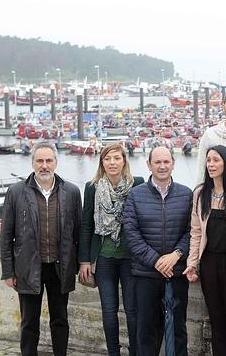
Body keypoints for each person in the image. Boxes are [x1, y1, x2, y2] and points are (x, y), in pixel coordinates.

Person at [0, 142, 82, 356]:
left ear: (56, 162)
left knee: (60, 320)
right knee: (29, 322)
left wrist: (81, 263)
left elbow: (79, 233)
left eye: (48, 161)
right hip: (28, 267)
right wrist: (8, 271)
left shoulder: (71, 192)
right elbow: (6, 234)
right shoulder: (16, 192)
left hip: (59, 267)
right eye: (40, 161)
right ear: (32, 163)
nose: (44, 165)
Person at [123, 146, 193, 356]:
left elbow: (193, 231)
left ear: (173, 163)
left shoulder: (186, 194)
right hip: (145, 274)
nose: (162, 166)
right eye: (157, 162)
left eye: (166, 162)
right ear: (149, 165)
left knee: (178, 327)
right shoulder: (135, 195)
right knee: (146, 330)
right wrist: (156, 261)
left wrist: (176, 255)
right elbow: (131, 233)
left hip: (177, 272)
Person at [78, 143, 145, 356]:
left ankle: (135, 352)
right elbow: (86, 224)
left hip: (130, 257)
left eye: (116, 158)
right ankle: (113, 353)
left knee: (133, 311)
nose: (112, 162)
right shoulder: (92, 187)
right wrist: (84, 260)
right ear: (102, 163)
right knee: (109, 310)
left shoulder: (138, 184)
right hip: (104, 257)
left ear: (124, 161)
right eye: (107, 159)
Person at [183, 145, 226, 356]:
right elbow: (195, 232)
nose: (211, 164)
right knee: (216, 317)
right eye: (208, 160)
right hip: (209, 262)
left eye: (216, 160)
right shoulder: (200, 193)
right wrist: (192, 264)